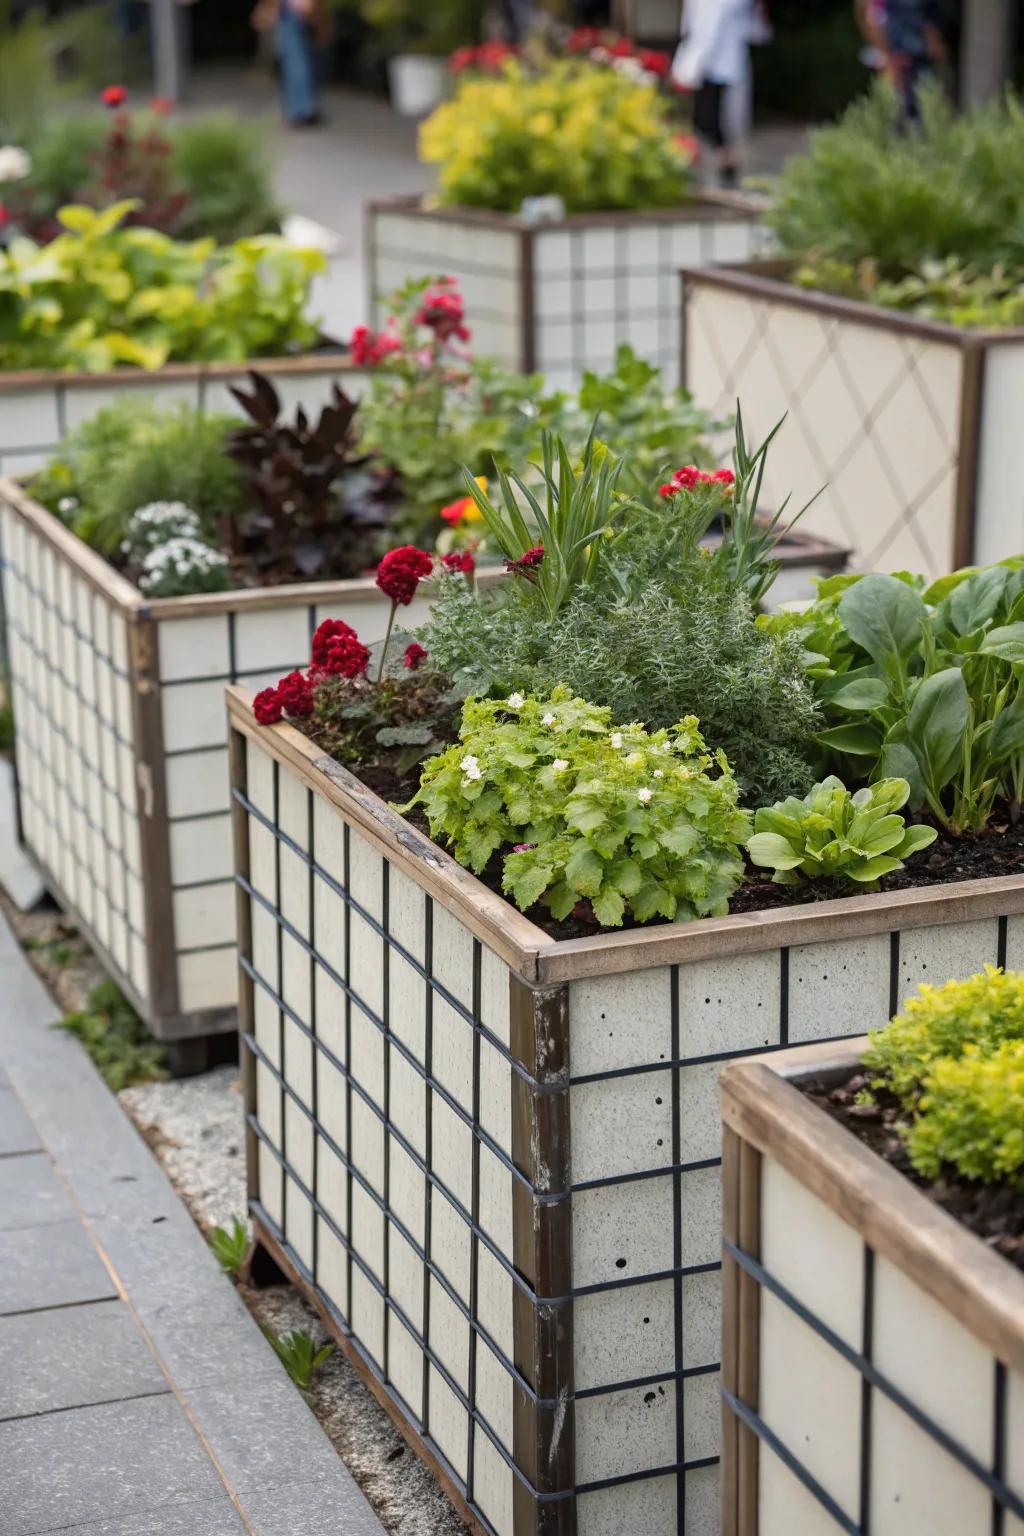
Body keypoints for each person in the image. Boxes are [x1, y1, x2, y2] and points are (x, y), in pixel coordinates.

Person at [673, 0, 755, 187]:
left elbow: (707, 30)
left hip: (710, 65)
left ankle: (721, 163)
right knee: (713, 121)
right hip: (719, 63)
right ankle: (724, 163)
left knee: (706, 121)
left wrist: (690, 68)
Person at [252, 0, 329, 127]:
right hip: (291, 10)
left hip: (291, 10)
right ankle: (303, 110)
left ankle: (299, 111)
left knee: (296, 61)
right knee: (298, 61)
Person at [883, 0, 949, 120]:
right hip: (914, 58)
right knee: (925, 101)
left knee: (904, 105)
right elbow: (928, 26)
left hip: (902, 56)